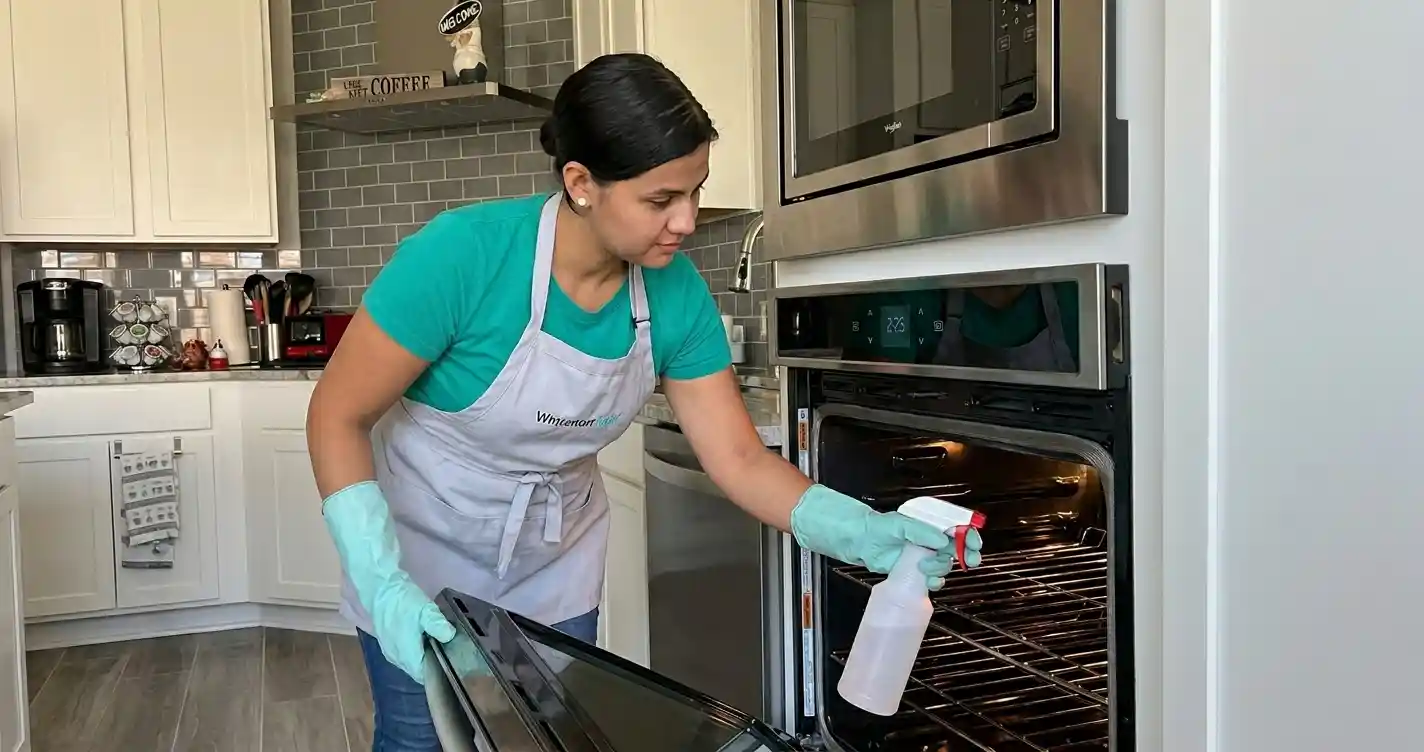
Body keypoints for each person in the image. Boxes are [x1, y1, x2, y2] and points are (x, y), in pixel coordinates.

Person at [306, 52, 983, 750]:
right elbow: (336, 414)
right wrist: (382, 580)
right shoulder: (462, 257)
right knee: (419, 739)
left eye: (695, 191)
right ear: (581, 184)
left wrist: (862, 532)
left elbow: (741, 459)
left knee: (549, 740)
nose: (687, 220)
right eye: (662, 200)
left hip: (554, 564)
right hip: (421, 553)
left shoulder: (676, 293)